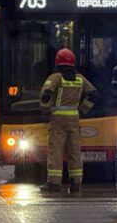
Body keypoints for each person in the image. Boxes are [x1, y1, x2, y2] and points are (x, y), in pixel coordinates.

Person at [40, 49, 98, 193]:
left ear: (57, 62)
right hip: (74, 119)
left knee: (55, 150)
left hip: (58, 119)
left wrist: (45, 111)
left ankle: (54, 183)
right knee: (74, 151)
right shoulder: (80, 79)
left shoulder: (56, 78)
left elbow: (45, 94)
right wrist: (83, 110)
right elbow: (94, 94)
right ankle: (76, 183)